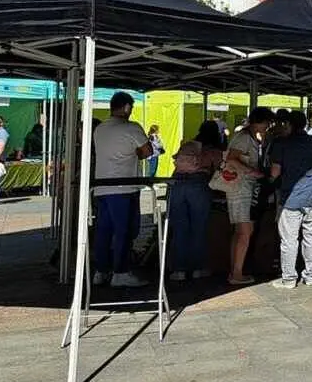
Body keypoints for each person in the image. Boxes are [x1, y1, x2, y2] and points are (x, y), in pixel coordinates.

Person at [91, 92, 154, 289]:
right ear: (126, 107)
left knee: (103, 230)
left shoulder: (100, 129)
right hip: (124, 186)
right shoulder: (132, 127)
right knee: (124, 230)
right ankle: (120, 271)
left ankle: (101, 271)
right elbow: (147, 151)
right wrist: (133, 153)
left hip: (102, 186)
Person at [269, 113, 312, 289]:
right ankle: (310, 276)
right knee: (311, 236)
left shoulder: (281, 144)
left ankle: (289, 278)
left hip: (290, 198)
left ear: (289, 125)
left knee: (289, 240)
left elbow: (275, 172)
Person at [168, 121, 224, 282]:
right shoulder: (213, 150)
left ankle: (179, 270)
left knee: (179, 227)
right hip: (199, 186)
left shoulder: (188, 145)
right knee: (199, 227)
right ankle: (198, 268)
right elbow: (220, 171)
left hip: (177, 184)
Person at [224, 107, 273, 286]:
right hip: (241, 188)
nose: (268, 126)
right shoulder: (244, 138)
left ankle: (236, 270)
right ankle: (237, 273)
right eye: (267, 122)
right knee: (245, 231)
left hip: (241, 188)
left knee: (240, 232)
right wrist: (252, 172)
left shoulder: (249, 137)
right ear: (258, 121)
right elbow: (231, 159)